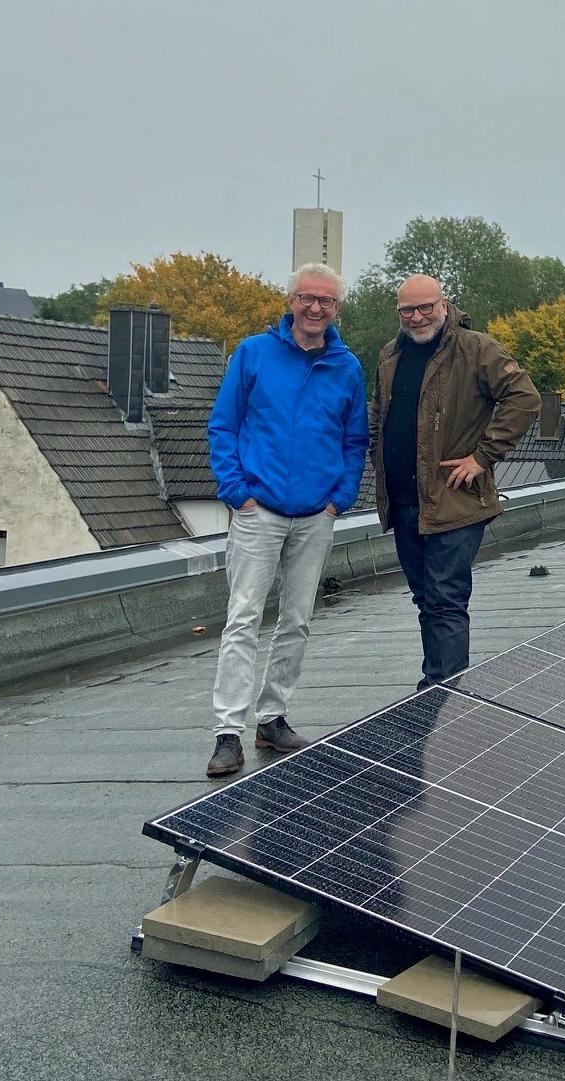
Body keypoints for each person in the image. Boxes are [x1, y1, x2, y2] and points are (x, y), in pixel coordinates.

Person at [204, 263, 369, 778]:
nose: (316, 308)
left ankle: (272, 718)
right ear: (291, 300)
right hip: (259, 511)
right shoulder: (254, 353)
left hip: (316, 513)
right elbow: (223, 425)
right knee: (244, 618)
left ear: (337, 308)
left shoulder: (347, 367)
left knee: (297, 620)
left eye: (326, 301)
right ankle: (228, 731)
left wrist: (339, 497)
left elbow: (355, 439)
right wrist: (236, 492)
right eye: (307, 298)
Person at [372, 273, 540, 690]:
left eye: (425, 307)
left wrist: (483, 457)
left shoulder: (476, 349)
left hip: (455, 498)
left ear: (444, 305)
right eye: (407, 309)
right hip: (405, 500)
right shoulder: (390, 355)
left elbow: (525, 398)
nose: (417, 316)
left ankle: (442, 694)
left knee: (445, 599)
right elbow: (381, 415)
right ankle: (435, 686)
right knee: (426, 600)